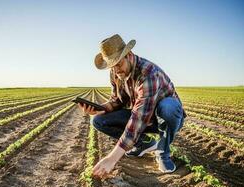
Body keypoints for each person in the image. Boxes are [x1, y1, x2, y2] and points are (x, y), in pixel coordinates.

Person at [78, 34, 186, 178]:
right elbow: (116, 101)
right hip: (142, 117)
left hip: (164, 118)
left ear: (129, 55)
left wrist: (112, 158)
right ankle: (144, 144)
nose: (116, 70)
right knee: (98, 120)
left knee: (168, 107)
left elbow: (138, 118)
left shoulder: (148, 73)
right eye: (112, 66)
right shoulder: (116, 73)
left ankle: (163, 152)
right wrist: (99, 109)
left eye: (118, 64)